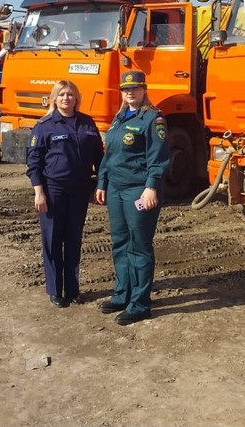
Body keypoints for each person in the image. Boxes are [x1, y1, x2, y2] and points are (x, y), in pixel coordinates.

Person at [95, 70, 170, 325]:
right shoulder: (119, 118)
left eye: (135, 88)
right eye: (126, 89)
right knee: (120, 243)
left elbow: (158, 157)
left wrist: (152, 187)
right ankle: (122, 294)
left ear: (143, 89)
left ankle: (139, 304)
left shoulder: (152, 119)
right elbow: (109, 155)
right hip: (116, 189)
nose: (130, 92)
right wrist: (102, 182)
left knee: (139, 246)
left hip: (138, 189)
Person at [26, 80, 103, 308]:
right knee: (52, 240)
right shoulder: (45, 126)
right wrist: (39, 192)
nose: (66, 98)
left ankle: (72, 289)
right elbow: (34, 162)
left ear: (76, 98)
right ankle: (54, 290)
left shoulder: (87, 123)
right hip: (53, 190)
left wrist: (100, 184)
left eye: (70, 94)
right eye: (61, 95)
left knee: (73, 239)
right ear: (54, 99)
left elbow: (99, 157)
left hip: (79, 190)